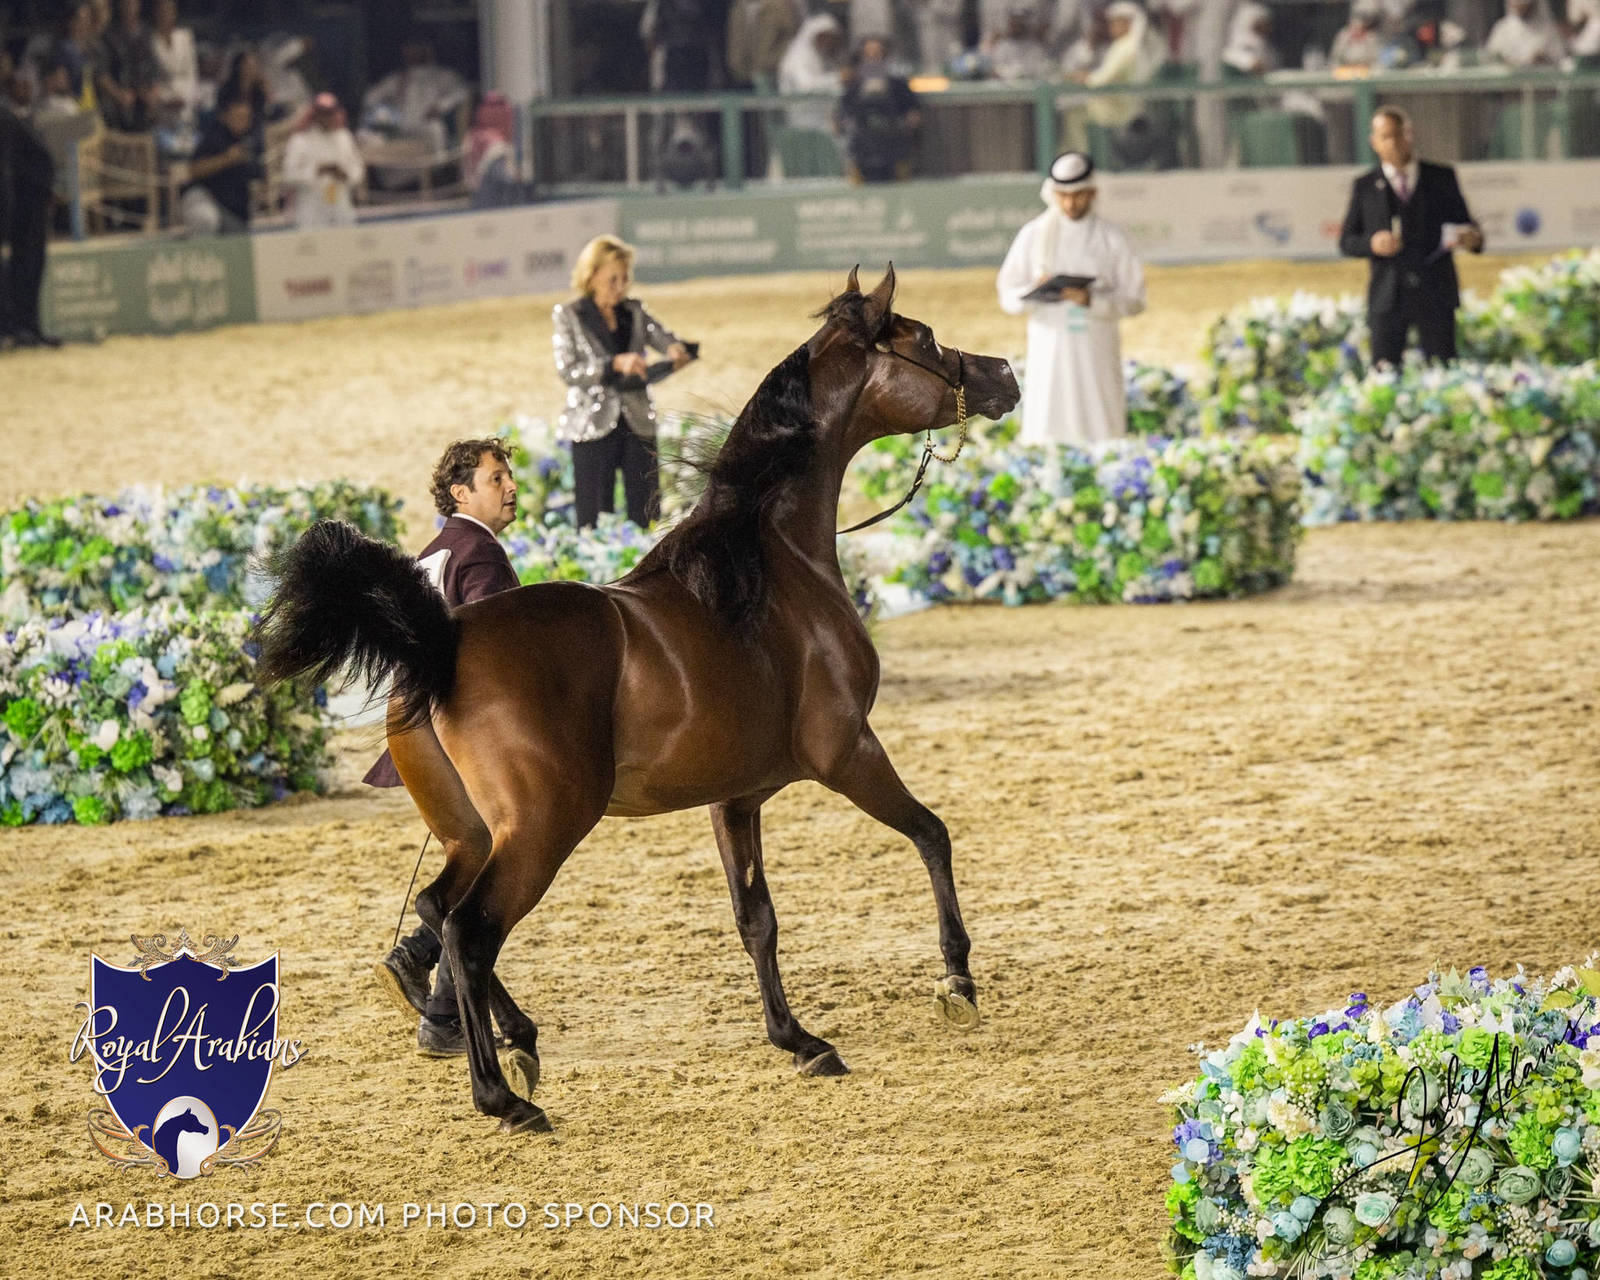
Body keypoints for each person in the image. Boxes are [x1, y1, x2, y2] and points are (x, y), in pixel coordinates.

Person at [369, 438, 521, 1058]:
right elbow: (499, 655)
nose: (509, 488)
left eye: (509, 476)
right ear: (461, 493)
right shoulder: (480, 554)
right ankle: (430, 987)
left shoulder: (434, 551)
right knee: (500, 865)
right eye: (495, 478)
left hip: (413, 727)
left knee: (481, 860)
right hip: (455, 731)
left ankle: (429, 988)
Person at [996, 151, 1147, 446]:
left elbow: (1135, 298)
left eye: (1078, 195)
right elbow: (1008, 294)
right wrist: (1035, 290)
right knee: (1049, 412)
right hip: (1049, 344)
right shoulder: (1034, 235)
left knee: (1100, 414)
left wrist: (1091, 301)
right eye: (1063, 195)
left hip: (1096, 343)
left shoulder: (1112, 237)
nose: (1070, 204)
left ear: (1092, 192)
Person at [552, 235, 691, 530]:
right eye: (612, 279)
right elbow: (568, 371)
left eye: (625, 278)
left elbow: (666, 339)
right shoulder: (569, 315)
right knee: (592, 517)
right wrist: (613, 363)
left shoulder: (635, 311)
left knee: (647, 514)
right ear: (592, 275)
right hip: (591, 426)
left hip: (637, 421)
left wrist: (676, 351)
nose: (621, 286)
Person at [1338, 107, 1483, 366]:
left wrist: (1470, 238)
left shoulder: (1441, 178)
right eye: (1385, 137)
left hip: (1436, 292)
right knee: (1384, 373)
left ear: (1410, 135)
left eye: (1398, 135)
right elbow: (1347, 241)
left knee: (1443, 369)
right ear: (1374, 142)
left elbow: (1470, 229)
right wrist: (1373, 243)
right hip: (1388, 296)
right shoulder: (1365, 186)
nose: (1393, 142)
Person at [0, 99, 62, 349]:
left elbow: (36, 158)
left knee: (28, 262)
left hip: (28, 194)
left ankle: (21, 327)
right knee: (25, 262)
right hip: (22, 191)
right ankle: (18, 327)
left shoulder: (6, 119)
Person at [836, 37, 921, 183]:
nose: (873, 57)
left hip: (894, 146)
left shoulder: (897, 84)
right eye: (869, 53)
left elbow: (912, 110)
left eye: (878, 52)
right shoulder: (854, 85)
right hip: (862, 149)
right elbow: (843, 110)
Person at [361, 39, 468, 151]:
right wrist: (387, 107)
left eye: (416, 51)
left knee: (435, 130)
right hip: (401, 127)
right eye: (408, 51)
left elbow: (461, 92)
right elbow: (370, 98)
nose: (412, 54)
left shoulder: (441, 75)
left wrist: (441, 106)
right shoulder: (397, 78)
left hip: (427, 125)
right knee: (370, 135)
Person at [180, 96, 261, 235]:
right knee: (206, 219)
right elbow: (194, 170)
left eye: (246, 118)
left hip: (234, 210)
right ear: (226, 117)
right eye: (238, 117)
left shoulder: (251, 141)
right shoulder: (214, 137)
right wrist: (226, 159)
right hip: (205, 197)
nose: (243, 122)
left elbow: (258, 175)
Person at [283, 91, 363, 228]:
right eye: (323, 113)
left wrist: (344, 174)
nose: (327, 117)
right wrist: (317, 170)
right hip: (311, 209)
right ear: (315, 114)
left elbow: (358, 171)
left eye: (330, 113)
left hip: (340, 204)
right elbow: (289, 175)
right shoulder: (300, 140)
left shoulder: (344, 138)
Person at [95, 0, 159, 130]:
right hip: (119, 96)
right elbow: (101, 73)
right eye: (126, 3)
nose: (129, 7)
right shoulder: (109, 35)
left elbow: (153, 67)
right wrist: (118, 94)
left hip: (143, 96)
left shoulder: (146, 33)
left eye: (132, 3)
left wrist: (152, 92)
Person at [778, 13, 846, 131]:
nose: (828, 42)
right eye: (825, 37)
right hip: (803, 114)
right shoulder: (798, 56)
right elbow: (806, 86)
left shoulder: (816, 55)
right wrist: (838, 77)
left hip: (818, 110)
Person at [727, 0, 801, 91]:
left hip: (773, 70)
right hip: (744, 74)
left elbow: (791, 36)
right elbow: (736, 40)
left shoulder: (778, 6)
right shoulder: (739, 8)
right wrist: (736, 63)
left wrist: (772, 60)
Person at [148, 0, 198, 124]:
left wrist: (185, 98)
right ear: (156, 13)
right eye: (162, 11)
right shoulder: (150, 40)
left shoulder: (185, 37)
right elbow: (152, 78)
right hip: (163, 105)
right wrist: (166, 100)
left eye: (169, 10)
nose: (166, 14)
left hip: (185, 103)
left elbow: (192, 73)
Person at [1484, 0, 1565, 64]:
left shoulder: (1548, 30)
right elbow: (1490, 58)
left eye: (1525, 6)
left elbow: (1560, 60)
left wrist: (1544, 60)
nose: (1521, 10)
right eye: (1517, 6)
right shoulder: (1502, 28)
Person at [1331, 0, 1386, 67]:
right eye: (1354, 27)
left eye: (1360, 28)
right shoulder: (1344, 35)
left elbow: (1375, 58)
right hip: (1346, 68)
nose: (1357, 30)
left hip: (1365, 68)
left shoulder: (1370, 37)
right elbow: (1336, 56)